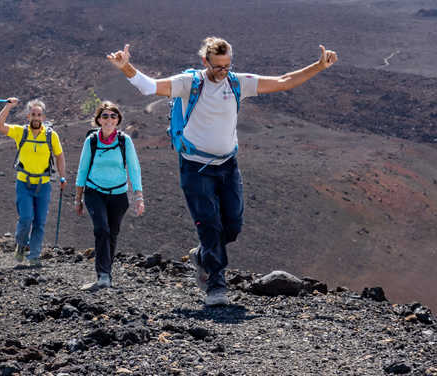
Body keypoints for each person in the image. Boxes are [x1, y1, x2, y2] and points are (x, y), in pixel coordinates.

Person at [107, 37, 338, 306]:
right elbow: (150, 87)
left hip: (228, 166)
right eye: (218, 66)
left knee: (232, 226)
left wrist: (318, 67)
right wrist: (126, 67)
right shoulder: (189, 83)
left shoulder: (237, 82)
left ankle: (203, 256)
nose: (223, 71)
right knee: (209, 225)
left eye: (227, 65)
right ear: (205, 61)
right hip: (195, 168)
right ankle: (216, 285)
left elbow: (283, 81)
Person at [74, 101, 144, 290]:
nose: (109, 119)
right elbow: (82, 170)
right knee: (102, 230)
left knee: (112, 234)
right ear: (98, 120)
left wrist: (139, 197)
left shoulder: (124, 141)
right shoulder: (92, 141)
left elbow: (134, 168)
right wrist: (78, 199)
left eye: (113, 116)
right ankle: (103, 275)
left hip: (119, 195)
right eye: (105, 116)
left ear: (118, 120)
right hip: (94, 192)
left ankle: (107, 274)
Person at [0, 97, 66, 266]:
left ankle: (34, 255)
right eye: (33, 114)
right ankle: (20, 244)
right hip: (24, 183)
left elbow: (59, 156)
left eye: (39, 114)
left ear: (43, 117)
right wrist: (8, 107)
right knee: (26, 218)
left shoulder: (51, 136)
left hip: (44, 184)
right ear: (28, 116)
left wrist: (63, 176)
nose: (36, 117)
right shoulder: (21, 132)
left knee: (39, 221)